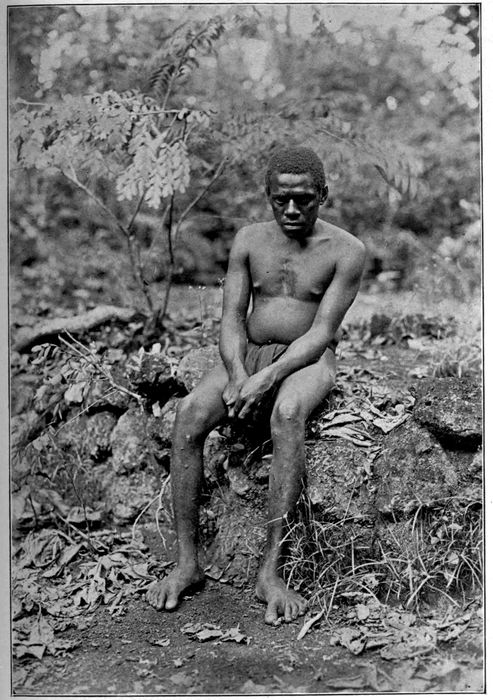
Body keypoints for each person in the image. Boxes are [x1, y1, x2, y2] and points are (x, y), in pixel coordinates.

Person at [147, 146, 366, 625]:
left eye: (304, 199)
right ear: (268, 196)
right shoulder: (248, 239)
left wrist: (269, 377)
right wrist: (238, 372)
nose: (292, 210)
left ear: (323, 195)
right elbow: (231, 317)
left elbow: (321, 333)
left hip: (309, 359)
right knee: (189, 413)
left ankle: (270, 572)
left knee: (287, 414)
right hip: (248, 354)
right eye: (281, 199)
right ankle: (187, 563)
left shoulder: (347, 250)